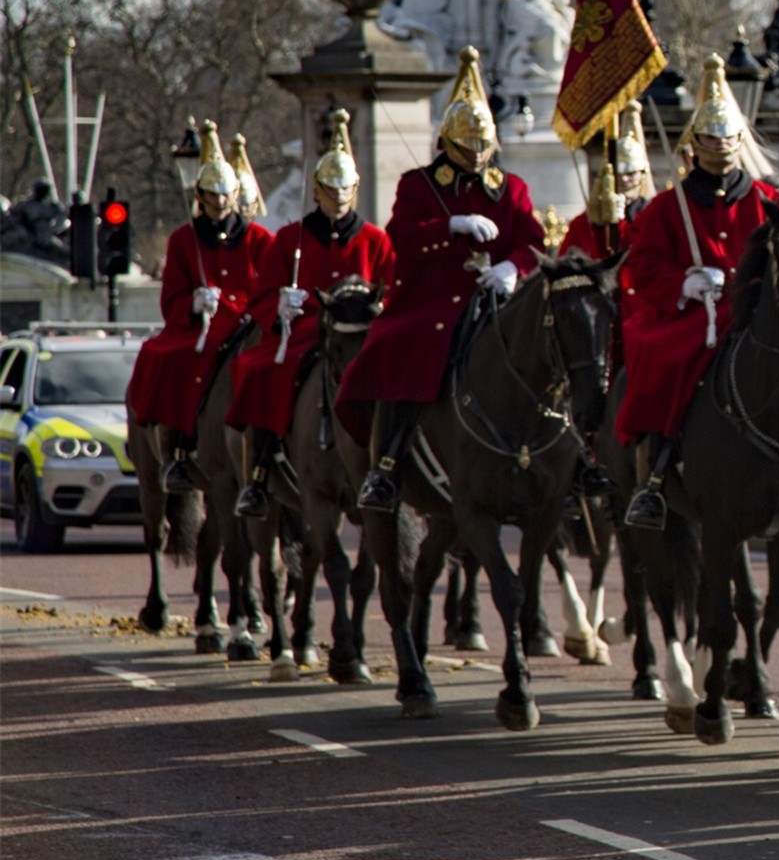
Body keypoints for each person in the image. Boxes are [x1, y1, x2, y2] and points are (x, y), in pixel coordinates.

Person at [344, 48, 549, 513]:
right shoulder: (419, 185)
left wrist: (512, 268)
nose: (476, 158)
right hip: (433, 300)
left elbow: (533, 241)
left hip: (497, 297)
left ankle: (563, 459)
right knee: (403, 350)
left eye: (483, 148)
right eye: (466, 149)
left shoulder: (512, 188)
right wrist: (450, 227)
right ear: (447, 144)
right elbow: (401, 236)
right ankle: (389, 463)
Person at [618, 60, 779, 531]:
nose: (722, 147)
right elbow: (643, 267)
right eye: (712, 140)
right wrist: (684, 285)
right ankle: (656, 470)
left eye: (729, 139)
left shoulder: (766, 199)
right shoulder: (670, 206)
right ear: (696, 144)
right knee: (662, 362)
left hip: (753, 314)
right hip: (697, 316)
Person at [229, 111, 396, 516]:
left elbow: (393, 289)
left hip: (360, 334)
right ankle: (260, 474)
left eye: (345, 192)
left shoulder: (376, 239)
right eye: (330, 192)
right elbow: (262, 296)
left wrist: (380, 308)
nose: (338, 201)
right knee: (260, 369)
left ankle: (395, 467)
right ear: (317, 193)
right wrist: (281, 306)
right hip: (306, 331)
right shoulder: (290, 239)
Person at [127, 122, 274, 491]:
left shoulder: (259, 238)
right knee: (168, 357)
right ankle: (177, 450)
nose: (221, 203)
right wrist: (193, 302)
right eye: (213, 195)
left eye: (226, 196)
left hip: (246, 321)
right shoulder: (183, 240)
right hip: (201, 326)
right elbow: (171, 298)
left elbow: (270, 284)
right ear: (203, 196)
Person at [561, 106, 652, 267]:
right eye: (617, 173)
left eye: (631, 174)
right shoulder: (582, 223)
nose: (624, 179)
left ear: (642, 174)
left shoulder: (654, 215)